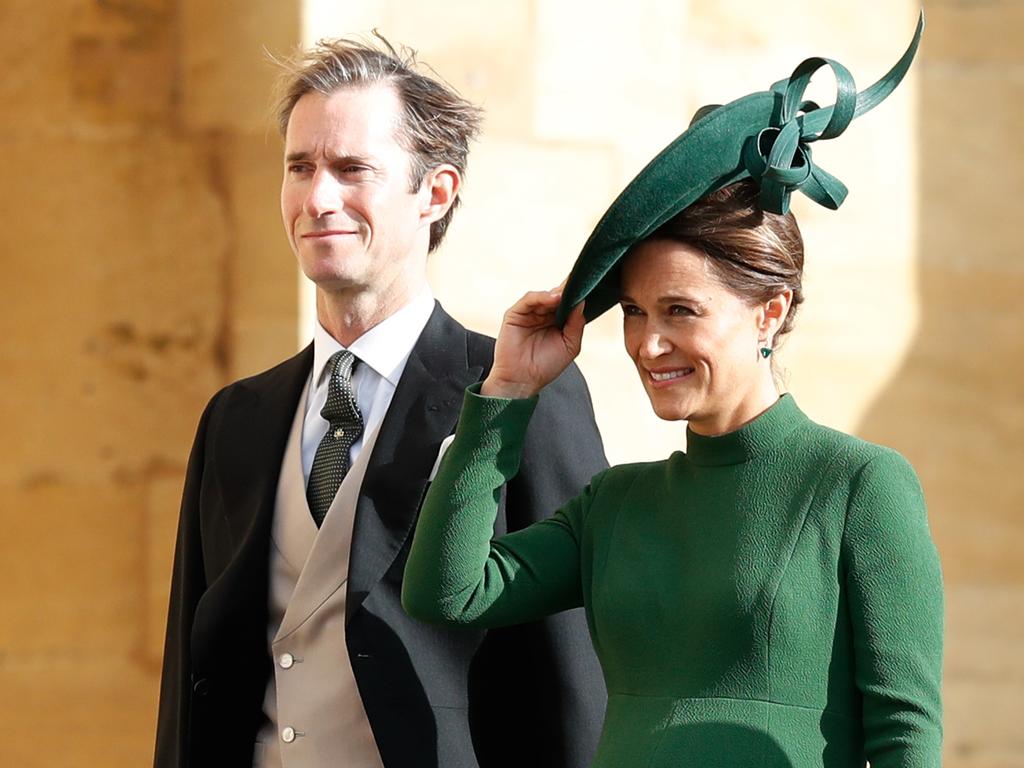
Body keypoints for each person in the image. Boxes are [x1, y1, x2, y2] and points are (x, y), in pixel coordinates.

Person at [402, 16, 942, 768]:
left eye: (681, 311)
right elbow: (446, 593)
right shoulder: (615, 504)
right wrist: (507, 390)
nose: (647, 345)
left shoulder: (858, 484)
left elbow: (907, 733)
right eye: (633, 312)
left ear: (770, 311)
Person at [154, 36, 607, 768]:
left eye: (351, 169)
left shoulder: (522, 392)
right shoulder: (234, 419)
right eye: (299, 167)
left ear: (436, 193)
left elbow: (574, 672)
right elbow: (190, 678)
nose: (316, 197)